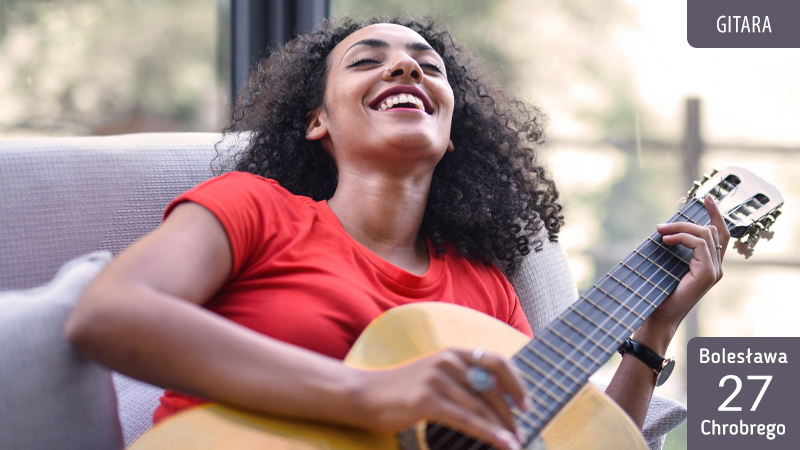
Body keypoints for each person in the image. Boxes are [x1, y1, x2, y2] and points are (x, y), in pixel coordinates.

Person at [65, 17, 728, 450]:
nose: (407, 69)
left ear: (450, 123)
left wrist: (653, 334)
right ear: (316, 122)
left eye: (427, 65)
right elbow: (109, 314)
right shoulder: (254, 210)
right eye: (367, 61)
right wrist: (369, 395)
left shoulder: (485, 290)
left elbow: (561, 438)